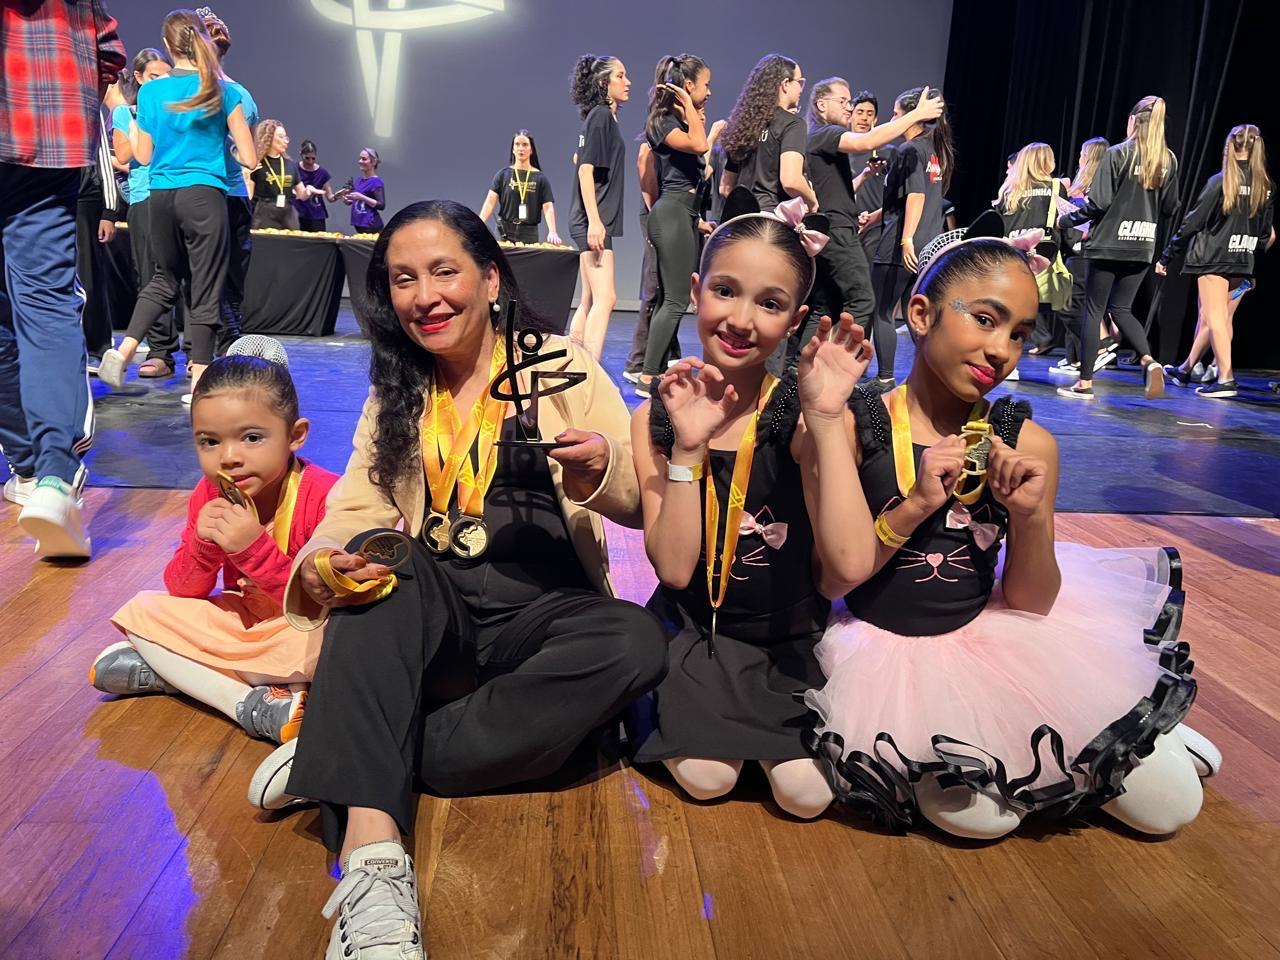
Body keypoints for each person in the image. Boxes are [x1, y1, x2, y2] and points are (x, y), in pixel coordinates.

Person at [243, 201, 667, 958]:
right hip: (443, 618)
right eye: (403, 279)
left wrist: (604, 468)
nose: (425, 296)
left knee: (634, 640)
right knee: (382, 563)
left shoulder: (560, 365)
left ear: (491, 278)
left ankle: (347, 753)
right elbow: (357, 507)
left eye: (444, 271)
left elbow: (639, 497)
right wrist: (326, 562)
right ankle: (373, 859)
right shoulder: (400, 386)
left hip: (546, 614)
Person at [805, 235, 1205, 840]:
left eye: (1019, 334)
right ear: (921, 314)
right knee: (978, 819)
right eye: (985, 320)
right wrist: (915, 507)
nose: (1001, 351)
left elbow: (1032, 602)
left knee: (1171, 809)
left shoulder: (1028, 443)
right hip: (880, 653)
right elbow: (834, 578)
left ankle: (1144, 733)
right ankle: (1116, 752)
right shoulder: (855, 423)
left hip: (992, 639)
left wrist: (1031, 516)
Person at [630, 204, 874, 820]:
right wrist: (688, 447)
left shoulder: (804, 415)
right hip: (695, 631)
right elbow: (676, 570)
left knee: (807, 796)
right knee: (707, 778)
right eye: (725, 291)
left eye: (769, 303)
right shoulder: (656, 416)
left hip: (786, 641)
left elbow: (848, 568)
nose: (740, 320)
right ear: (696, 291)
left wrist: (826, 420)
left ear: (796, 320)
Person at [95, 342, 338, 746]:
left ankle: (185, 676)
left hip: (298, 627)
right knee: (143, 609)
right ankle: (255, 700)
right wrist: (204, 545)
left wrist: (252, 549)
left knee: (331, 641)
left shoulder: (326, 495)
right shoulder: (209, 493)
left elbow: (319, 606)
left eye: (252, 438)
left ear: (295, 436)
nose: (228, 458)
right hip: (245, 623)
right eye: (209, 441)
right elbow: (182, 589)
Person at [0, 0, 126, 559]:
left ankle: (28, 466)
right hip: (46, 126)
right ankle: (52, 475)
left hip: (44, 128)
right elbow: (106, 47)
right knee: (46, 303)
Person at [98, 10, 257, 400]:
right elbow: (251, 158)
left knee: (162, 279)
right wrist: (223, 144)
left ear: (168, 45)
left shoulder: (151, 93)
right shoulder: (223, 91)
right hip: (204, 196)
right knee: (205, 287)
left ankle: (124, 350)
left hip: (160, 197)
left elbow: (143, 156)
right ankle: (200, 380)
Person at [791, 77, 943, 367]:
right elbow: (868, 141)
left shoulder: (822, 138)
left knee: (825, 305)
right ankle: (835, 370)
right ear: (821, 105)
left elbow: (833, 188)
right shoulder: (825, 133)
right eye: (843, 102)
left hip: (834, 226)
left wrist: (864, 179)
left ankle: (797, 371)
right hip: (836, 230)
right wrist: (916, 114)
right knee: (862, 301)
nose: (849, 108)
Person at [1058, 96, 1180, 401]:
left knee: (1093, 310)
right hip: (1143, 245)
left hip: (1109, 244)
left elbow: (1098, 204)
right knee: (1122, 309)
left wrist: (1066, 220)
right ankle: (1149, 359)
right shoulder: (1168, 160)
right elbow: (1171, 207)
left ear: (1132, 121)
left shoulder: (1118, 154)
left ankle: (1085, 383)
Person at [1159, 124, 1274, 399]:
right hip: (1243, 260)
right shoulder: (1266, 186)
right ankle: (1186, 368)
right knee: (1218, 318)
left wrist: (1168, 254)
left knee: (1214, 318)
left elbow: (1193, 222)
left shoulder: (1221, 181)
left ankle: (1225, 378)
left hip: (1213, 259)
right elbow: (1266, 233)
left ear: (1230, 146)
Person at [635, 54, 712, 396]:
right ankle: (648, 375)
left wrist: (699, 222)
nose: (709, 92)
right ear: (689, 85)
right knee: (676, 300)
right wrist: (688, 106)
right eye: (706, 85)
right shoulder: (663, 122)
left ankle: (653, 370)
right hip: (672, 213)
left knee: (671, 298)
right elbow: (700, 145)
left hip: (684, 215)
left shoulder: (677, 122)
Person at [869, 86, 954, 391]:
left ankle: (885, 377)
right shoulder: (935, 151)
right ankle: (932, 377)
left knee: (882, 310)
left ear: (914, 116)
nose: (893, 120)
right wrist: (874, 216)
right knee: (912, 313)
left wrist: (906, 240)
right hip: (927, 244)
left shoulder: (908, 149)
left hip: (900, 246)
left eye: (896, 114)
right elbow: (911, 199)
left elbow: (916, 196)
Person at [111, 48, 177, 379]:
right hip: (144, 197)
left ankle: (199, 353)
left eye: (166, 76)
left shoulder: (176, 108)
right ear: (138, 77)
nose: (161, 82)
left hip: (178, 192)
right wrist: (145, 119)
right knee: (151, 276)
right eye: (153, 76)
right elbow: (124, 155)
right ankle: (161, 352)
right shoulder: (126, 113)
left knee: (191, 275)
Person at [567, 54, 631, 359]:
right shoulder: (602, 115)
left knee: (590, 298)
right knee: (606, 297)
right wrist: (595, 221)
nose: (627, 82)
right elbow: (584, 169)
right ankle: (589, 370)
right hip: (593, 220)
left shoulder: (602, 117)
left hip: (593, 218)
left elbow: (580, 160)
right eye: (620, 75)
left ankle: (573, 362)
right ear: (604, 83)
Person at [1049, 136, 1115, 379]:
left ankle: (1100, 345)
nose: (1079, 159)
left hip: (1085, 251)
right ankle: (1076, 358)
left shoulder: (1097, 187)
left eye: (1082, 154)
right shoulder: (1085, 186)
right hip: (1078, 249)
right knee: (1079, 303)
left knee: (1069, 302)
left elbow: (1090, 218)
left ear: (1089, 158)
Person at [995, 142, 1070, 354]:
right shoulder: (1056, 187)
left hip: (1013, 249)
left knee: (1014, 301)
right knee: (1058, 299)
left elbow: (1000, 222)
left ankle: (1014, 347)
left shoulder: (1008, 188)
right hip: (1043, 250)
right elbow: (1065, 219)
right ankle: (1083, 351)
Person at [720, 54, 815, 216]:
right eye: (800, 82)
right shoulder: (792, 124)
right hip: (771, 219)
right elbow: (791, 181)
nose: (801, 89)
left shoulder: (743, 126)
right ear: (785, 84)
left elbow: (725, 187)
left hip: (739, 220)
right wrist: (812, 201)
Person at [477, 129, 562, 244]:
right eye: (517, 144)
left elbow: (548, 207)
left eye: (525, 144)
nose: (521, 148)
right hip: (505, 231)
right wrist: (479, 224)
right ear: (513, 149)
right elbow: (490, 202)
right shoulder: (503, 175)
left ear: (531, 150)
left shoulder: (540, 178)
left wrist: (552, 231)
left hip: (529, 233)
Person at [850, 91, 892, 261]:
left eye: (869, 114)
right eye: (860, 112)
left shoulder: (887, 153)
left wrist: (875, 216)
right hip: (846, 226)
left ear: (875, 119)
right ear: (850, 116)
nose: (864, 118)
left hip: (874, 228)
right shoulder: (838, 151)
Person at [248, 119, 305, 230]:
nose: (286, 141)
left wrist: (309, 191)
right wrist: (246, 177)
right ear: (268, 138)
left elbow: (302, 194)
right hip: (264, 215)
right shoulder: (257, 165)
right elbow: (249, 196)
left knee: (291, 240)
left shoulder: (291, 165)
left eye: (286, 137)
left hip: (288, 215)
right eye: (281, 137)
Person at [294, 139, 334, 232]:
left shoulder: (322, 173)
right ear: (301, 154)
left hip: (316, 215)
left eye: (313, 158)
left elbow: (330, 197)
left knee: (318, 239)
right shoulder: (294, 169)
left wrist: (338, 195)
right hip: (298, 213)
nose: (310, 161)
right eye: (307, 158)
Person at [345, 146, 386, 233]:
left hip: (371, 224)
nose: (360, 161)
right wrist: (348, 200)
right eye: (360, 158)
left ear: (373, 162)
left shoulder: (376, 182)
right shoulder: (358, 180)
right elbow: (356, 201)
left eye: (364, 159)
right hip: (359, 223)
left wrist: (362, 197)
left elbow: (381, 205)